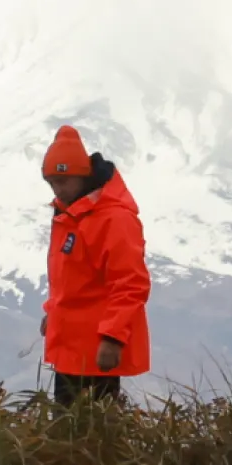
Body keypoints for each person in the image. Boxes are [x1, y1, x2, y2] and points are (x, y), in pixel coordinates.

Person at [41, 122, 150, 401]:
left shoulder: (114, 218)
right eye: (51, 182)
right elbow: (72, 278)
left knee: (92, 437)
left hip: (97, 351)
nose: (57, 190)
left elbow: (130, 283)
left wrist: (113, 338)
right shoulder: (70, 216)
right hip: (70, 350)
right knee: (66, 434)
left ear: (81, 175)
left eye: (62, 181)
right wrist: (52, 313)